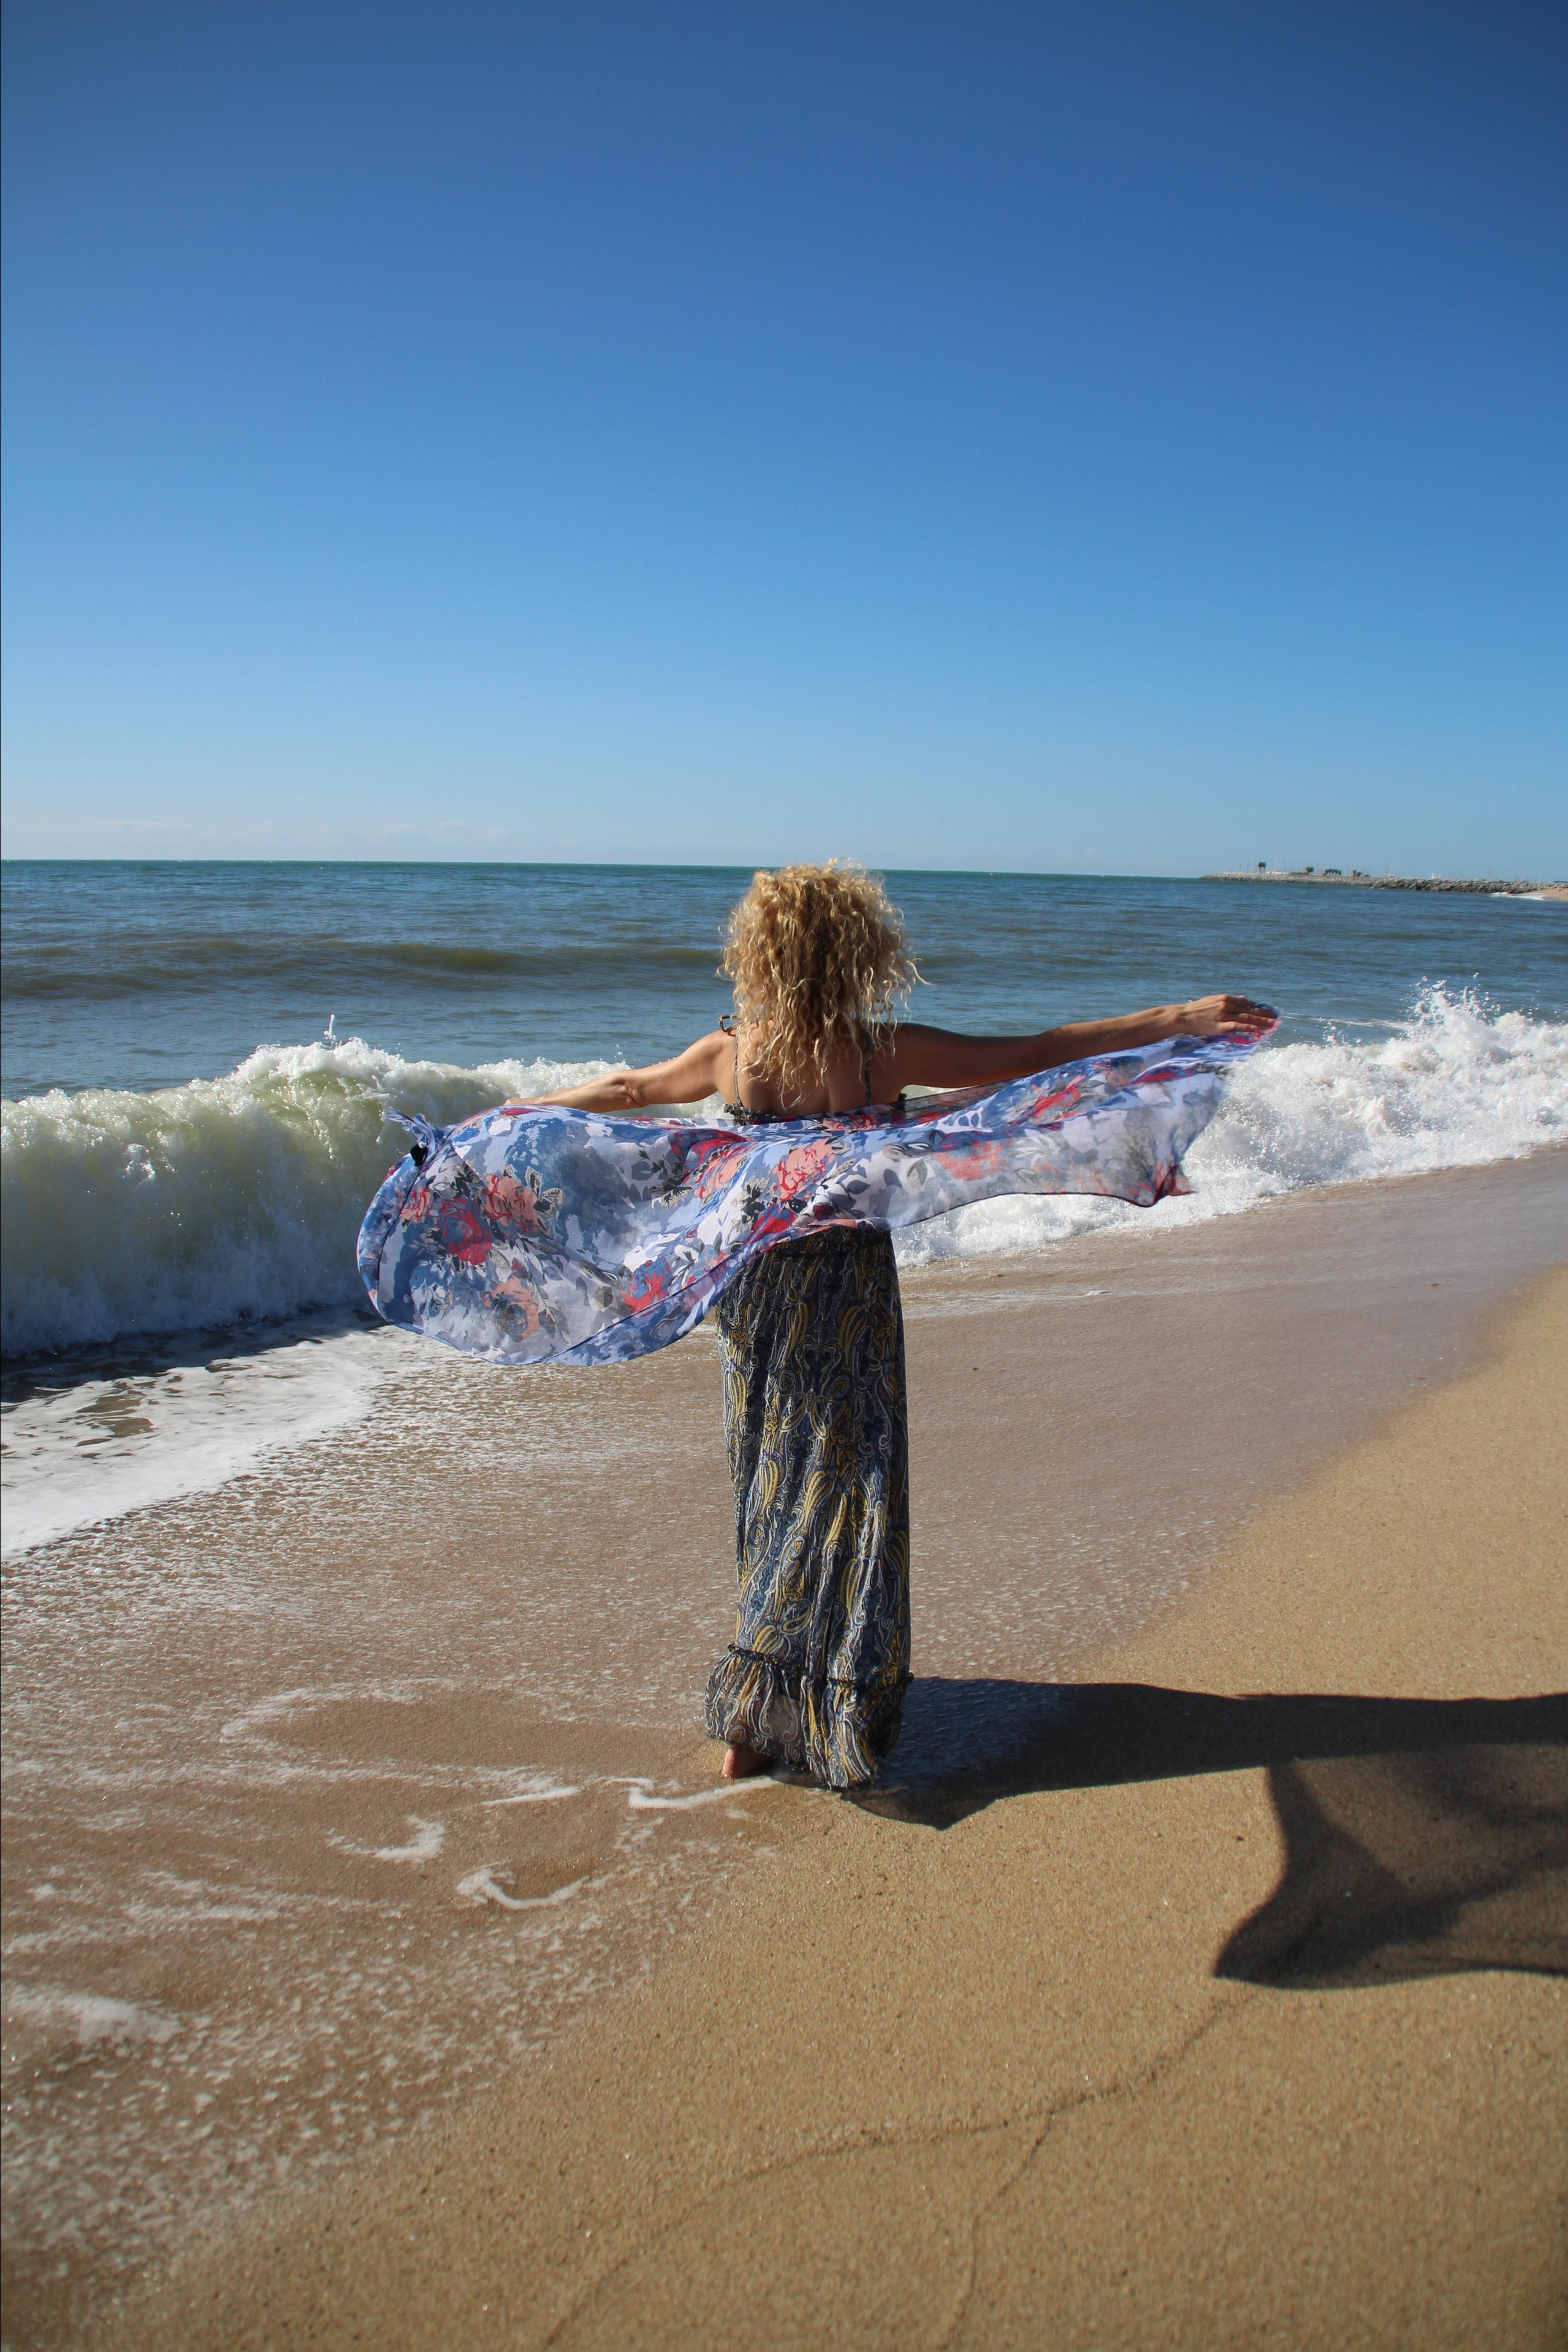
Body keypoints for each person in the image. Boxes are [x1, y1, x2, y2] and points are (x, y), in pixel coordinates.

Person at [537, 862, 1268, 1791]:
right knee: (852, 1482)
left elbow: (626, 1090)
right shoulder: (882, 1050)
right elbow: (1040, 1051)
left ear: (758, 950)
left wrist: (507, 1120)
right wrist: (1174, 1022)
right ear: (858, 950)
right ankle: (831, 1698)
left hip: (756, 1290)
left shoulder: (730, 1052)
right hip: (847, 1287)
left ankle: (760, 1716)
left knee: (773, 1469)